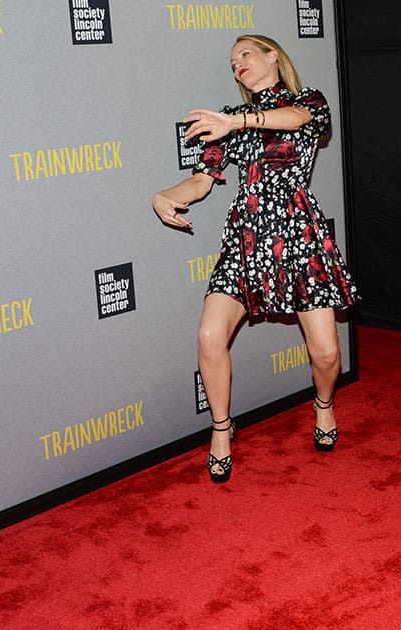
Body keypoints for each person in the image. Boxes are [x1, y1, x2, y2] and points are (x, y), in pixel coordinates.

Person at [151, 34, 358, 483]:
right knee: (209, 335)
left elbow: (298, 119)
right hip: (247, 239)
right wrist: (165, 195)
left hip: (298, 235)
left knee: (326, 354)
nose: (237, 64)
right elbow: (203, 181)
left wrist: (240, 121)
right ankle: (222, 431)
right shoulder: (229, 120)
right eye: (231, 61)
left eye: (245, 54)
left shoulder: (308, 100)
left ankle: (323, 405)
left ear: (272, 56)